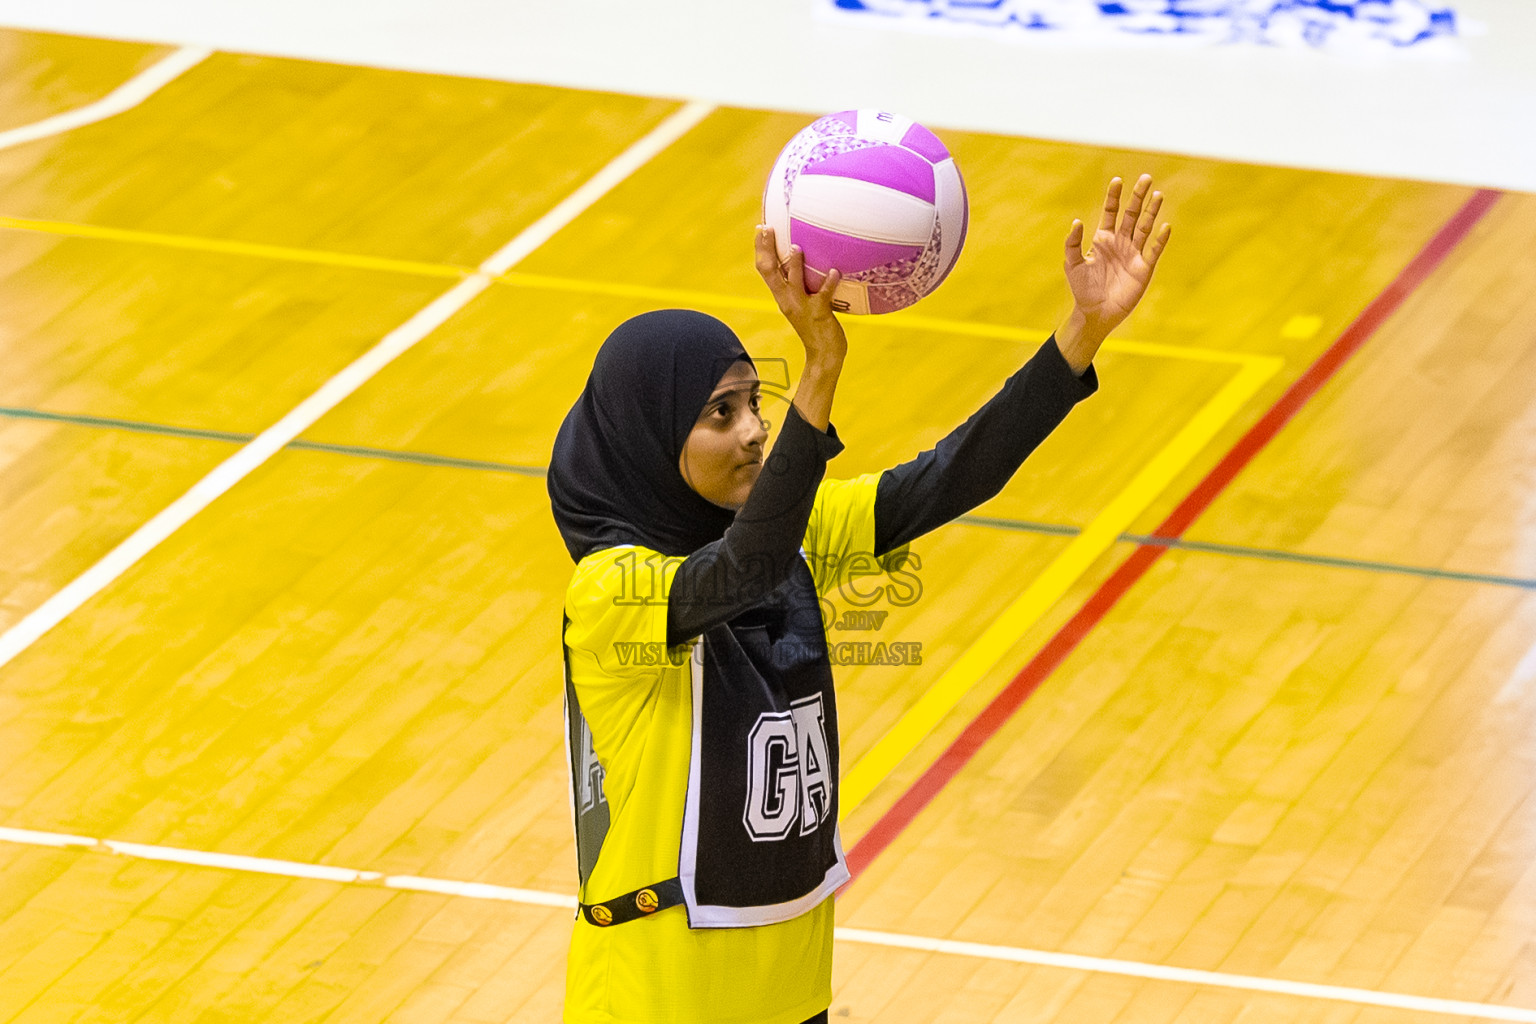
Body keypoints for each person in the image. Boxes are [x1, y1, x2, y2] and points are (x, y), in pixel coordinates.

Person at [547, 175, 1171, 1024]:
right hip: (657, 993)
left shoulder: (793, 536)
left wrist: (1081, 336)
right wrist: (821, 369)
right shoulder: (612, 591)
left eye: (753, 403)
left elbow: (952, 477)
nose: (753, 430)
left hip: (794, 985)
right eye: (718, 414)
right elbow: (743, 571)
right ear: (648, 442)